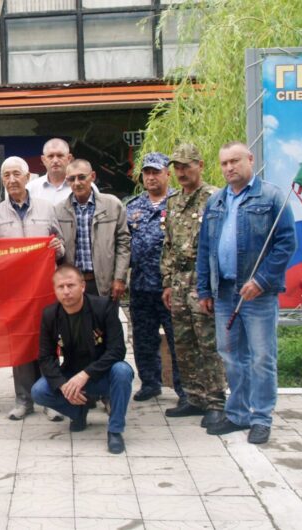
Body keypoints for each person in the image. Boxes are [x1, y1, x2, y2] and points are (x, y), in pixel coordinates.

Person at [197, 141, 296, 445]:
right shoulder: (216, 201)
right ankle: (238, 413)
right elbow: (204, 250)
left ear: (250, 160)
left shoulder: (271, 197)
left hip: (257, 294)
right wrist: (204, 289)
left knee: (261, 357)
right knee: (231, 355)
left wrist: (262, 280)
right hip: (225, 292)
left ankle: (261, 418)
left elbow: (286, 243)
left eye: (235, 161)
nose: (229, 168)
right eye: (224, 163)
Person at [31, 265, 134, 454]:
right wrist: (63, 385)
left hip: (102, 375)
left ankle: (115, 430)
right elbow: (46, 357)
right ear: (54, 291)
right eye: (60, 287)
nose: (66, 291)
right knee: (39, 391)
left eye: (71, 285)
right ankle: (78, 412)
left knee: (123, 371)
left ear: (83, 286)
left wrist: (86, 374)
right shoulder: (50, 315)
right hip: (72, 373)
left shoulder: (104, 307)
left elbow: (117, 350)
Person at [0, 155, 65, 422]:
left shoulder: (47, 208)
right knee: (20, 345)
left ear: (28, 177)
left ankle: (50, 399)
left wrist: (58, 248)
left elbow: (61, 246)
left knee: (47, 344)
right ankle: (23, 400)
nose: (12, 180)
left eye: (16, 174)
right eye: (7, 175)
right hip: (14, 293)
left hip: (44, 289)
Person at [160, 143, 226, 427]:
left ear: (200, 165)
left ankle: (216, 401)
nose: (181, 172)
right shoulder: (173, 201)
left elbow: (221, 245)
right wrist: (167, 282)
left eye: (187, 166)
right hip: (178, 282)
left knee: (207, 343)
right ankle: (193, 397)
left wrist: (210, 288)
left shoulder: (214, 198)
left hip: (202, 281)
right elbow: (169, 245)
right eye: (177, 167)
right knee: (183, 342)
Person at [125, 152, 184, 403]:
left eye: (156, 172)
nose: (151, 177)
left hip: (170, 287)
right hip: (140, 286)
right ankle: (150, 382)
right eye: (147, 173)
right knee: (143, 338)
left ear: (167, 174)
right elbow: (124, 244)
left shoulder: (179, 203)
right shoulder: (133, 206)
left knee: (177, 339)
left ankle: (184, 390)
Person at [54, 158, 130, 299]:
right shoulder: (59, 210)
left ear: (93, 176)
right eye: (72, 179)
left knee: (105, 321)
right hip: (72, 284)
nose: (77, 183)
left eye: (82, 177)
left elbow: (123, 244)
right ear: (67, 181)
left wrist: (120, 278)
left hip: (103, 282)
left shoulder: (112, 205)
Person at [26, 138, 97, 205]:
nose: (55, 161)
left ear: (69, 158)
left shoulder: (88, 187)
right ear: (43, 160)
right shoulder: (31, 188)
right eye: (50, 156)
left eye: (60, 156)